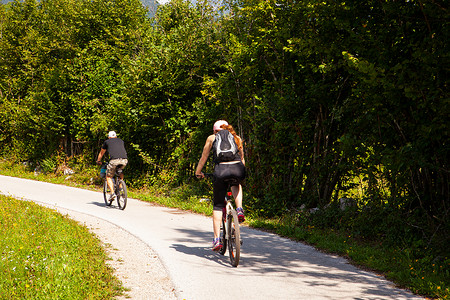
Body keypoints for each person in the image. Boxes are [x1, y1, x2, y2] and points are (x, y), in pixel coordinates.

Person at [195, 120, 246, 251]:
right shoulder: (236, 137)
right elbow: (242, 158)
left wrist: (198, 172)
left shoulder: (212, 138)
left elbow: (204, 157)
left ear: (214, 130)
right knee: (237, 184)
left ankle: (217, 239)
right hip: (238, 169)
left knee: (217, 205)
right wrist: (240, 173)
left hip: (221, 171)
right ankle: (239, 209)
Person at [96, 131, 128, 201]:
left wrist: (98, 161)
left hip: (114, 160)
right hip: (124, 160)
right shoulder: (121, 141)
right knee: (120, 172)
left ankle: (112, 193)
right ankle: (120, 187)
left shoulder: (107, 142)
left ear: (109, 137)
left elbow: (101, 153)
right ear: (116, 136)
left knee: (108, 176)